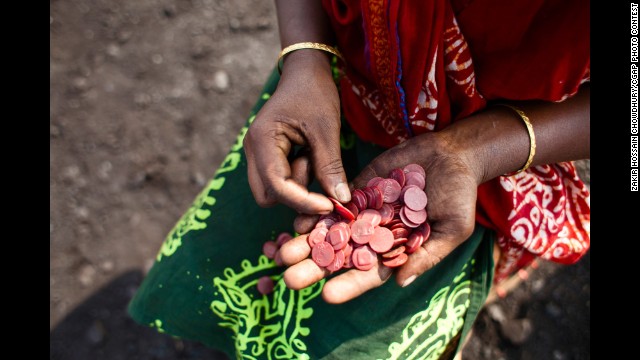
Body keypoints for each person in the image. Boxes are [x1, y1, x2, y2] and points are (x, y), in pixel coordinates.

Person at [128, 0, 590, 359]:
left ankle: (482, 296)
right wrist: (305, 56)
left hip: (496, 168)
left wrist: (476, 152)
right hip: (330, 100)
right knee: (233, 261)